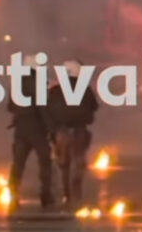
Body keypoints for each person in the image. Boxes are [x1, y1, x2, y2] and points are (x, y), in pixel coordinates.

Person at [48, 60, 98, 208]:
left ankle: (66, 193)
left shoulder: (55, 90)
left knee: (63, 163)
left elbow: (47, 109)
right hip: (79, 130)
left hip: (61, 131)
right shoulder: (86, 89)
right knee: (79, 161)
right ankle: (76, 190)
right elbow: (94, 107)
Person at [7, 55, 54, 210]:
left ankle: (13, 197)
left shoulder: (18, 84)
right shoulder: (38, 83)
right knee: (45, 161)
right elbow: (43, 108)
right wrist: (51, 129)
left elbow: (10, 106)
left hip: (21, 129)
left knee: (18, 165)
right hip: (36, 129)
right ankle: (46, 196)